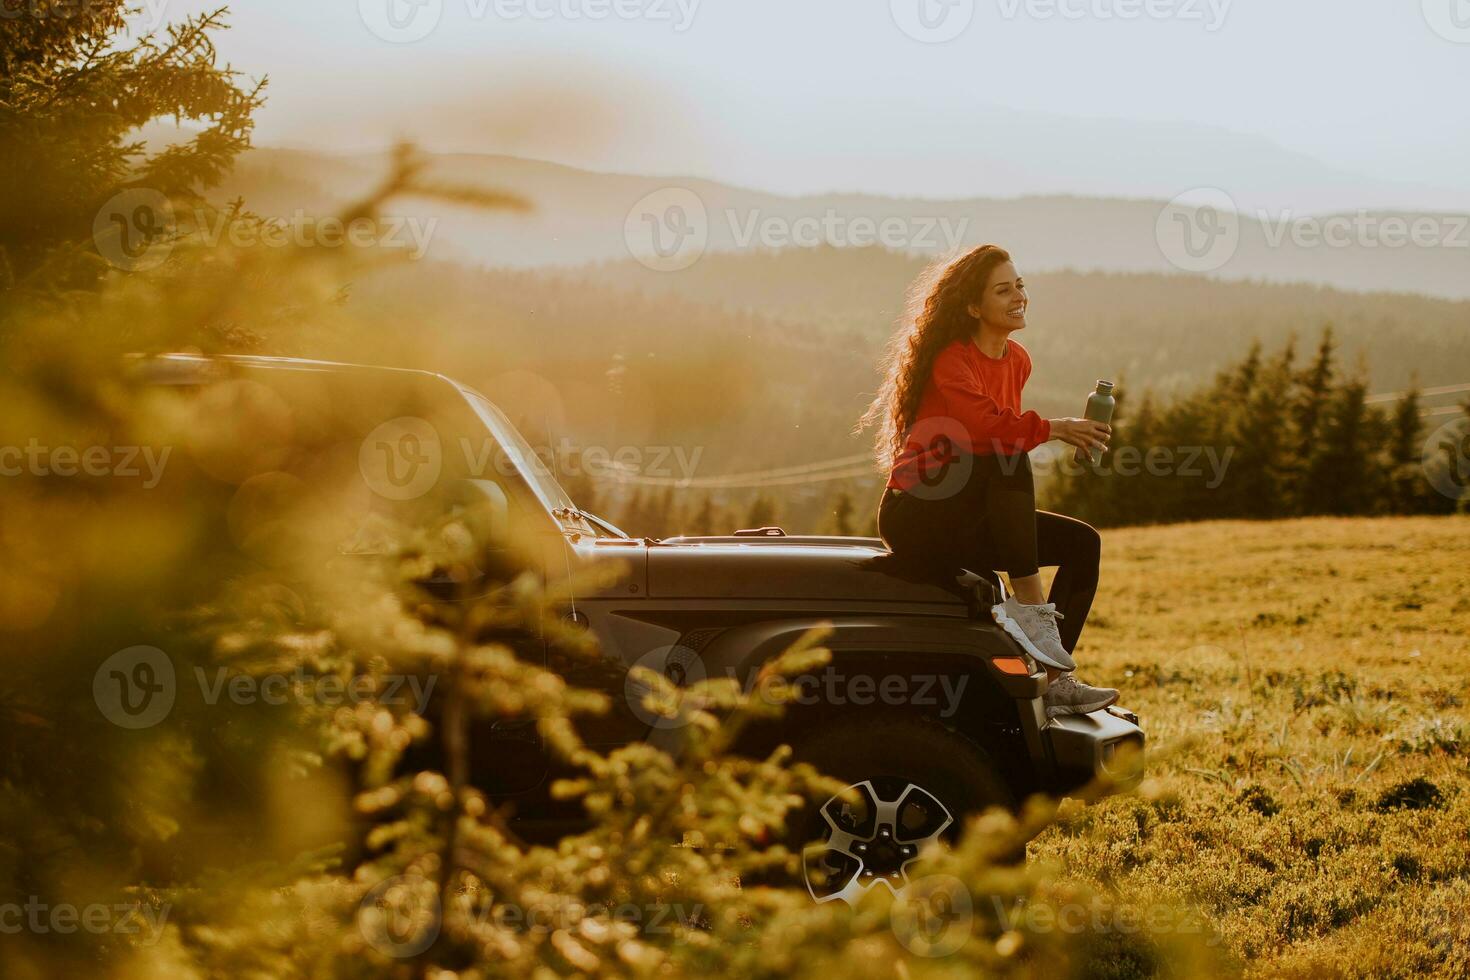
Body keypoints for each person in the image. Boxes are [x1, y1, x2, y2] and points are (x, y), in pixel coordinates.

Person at [859, 244, 1119, 717]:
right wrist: (1056, 428)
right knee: (1008, 452)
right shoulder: (950, 362)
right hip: (917, 511)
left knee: (1083, 544)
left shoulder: (1017, 360)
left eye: (1019, 285)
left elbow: (1000, 435)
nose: (1018, 295)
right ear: (973, 306)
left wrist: (1040, 432)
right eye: (1003, 290)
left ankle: (1057, 681)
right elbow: (986, 429)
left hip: (970, 512)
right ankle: (1034, 615)